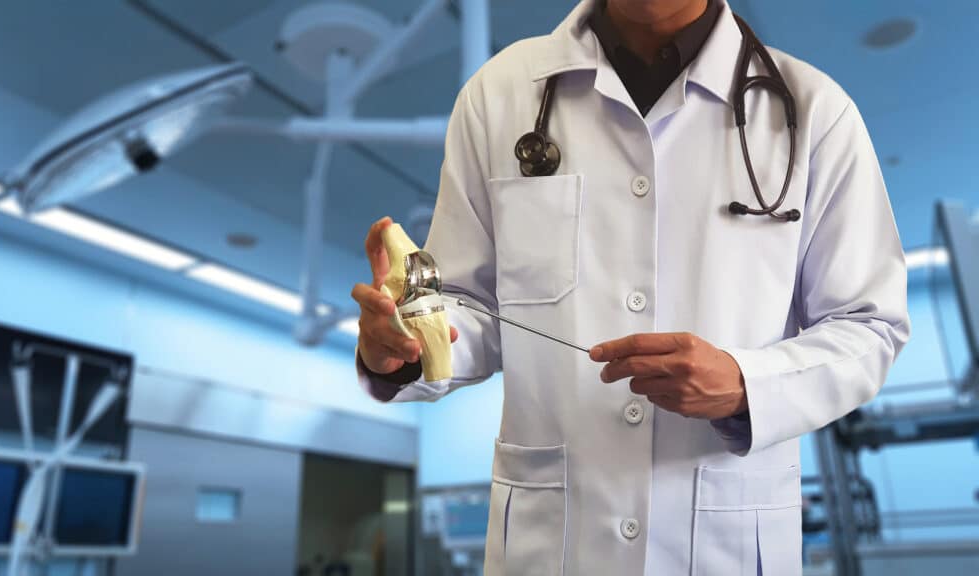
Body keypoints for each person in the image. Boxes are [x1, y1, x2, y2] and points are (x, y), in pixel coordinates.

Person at [351, 0, 909, 574]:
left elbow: (871, 325)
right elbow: (469, 308)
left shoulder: (814, 111)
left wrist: (746, 385)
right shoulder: (498, 95)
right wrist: (404, 351)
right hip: (554, 547)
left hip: (724, 542)